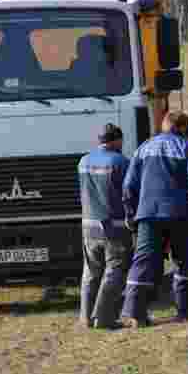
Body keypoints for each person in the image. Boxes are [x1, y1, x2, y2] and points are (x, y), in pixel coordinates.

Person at [120, 111, 188, 326]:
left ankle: (134, 312)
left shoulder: (143, 148)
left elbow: (128, 186)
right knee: (185, 259)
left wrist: (130, 213)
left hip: (148, 213)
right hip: (180, 214)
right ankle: (185, 309)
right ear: (182, 128)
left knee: (143, 261)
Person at [77, 123, 132, 329]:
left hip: (88, 225)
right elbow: (129, 194)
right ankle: (104, 317)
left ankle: (85, 317)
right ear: (116, 140)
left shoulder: (83, 161)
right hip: (114, 226)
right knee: (114, 270)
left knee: (90, 271)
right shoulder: (120, 162)